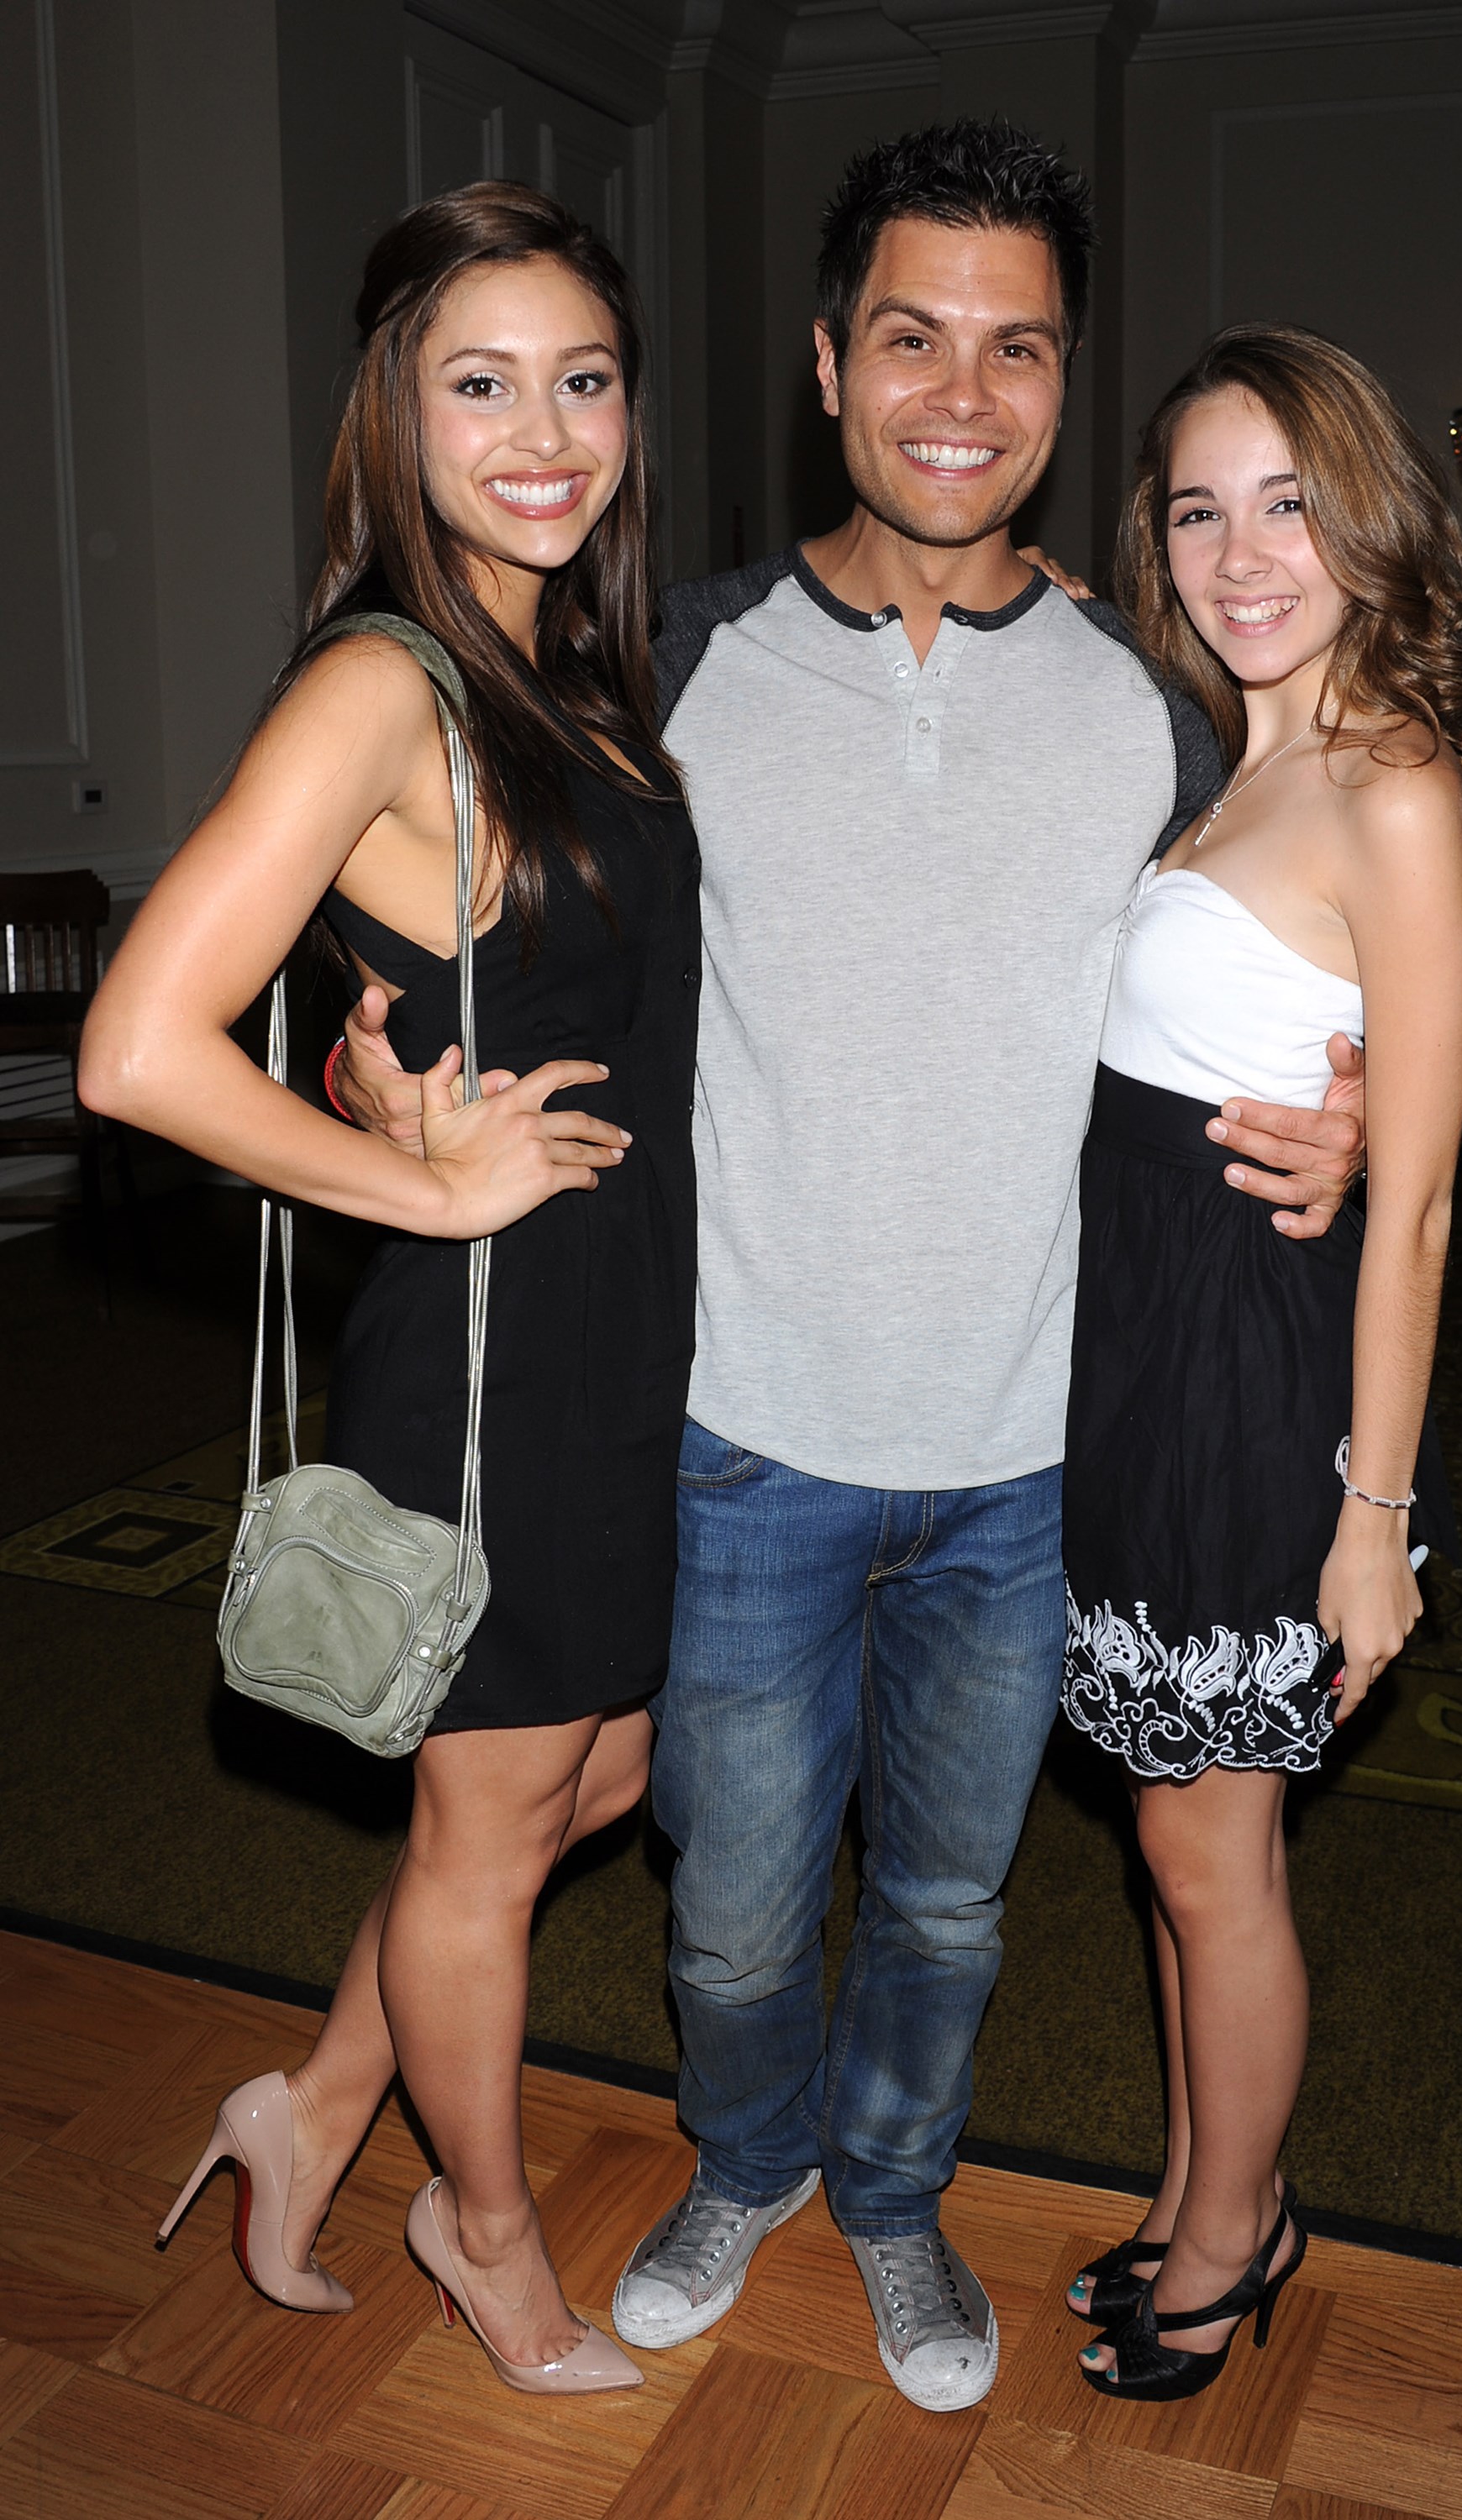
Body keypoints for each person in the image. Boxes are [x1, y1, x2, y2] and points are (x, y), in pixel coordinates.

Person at [339, 123, 1367, 2414]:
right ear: (826, 364)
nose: (962, 394)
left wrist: (1362, 1090)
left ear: (1066, 380)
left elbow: (1296, 935)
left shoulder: (1156, 699)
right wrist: (372, 1063)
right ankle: (746, 2164)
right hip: (737, 1432)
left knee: (946, 1903)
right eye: (912, 336)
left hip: (1032, 1453)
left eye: (1020, 348)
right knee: (726, 1902)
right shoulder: (664, 664)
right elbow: (469, 911)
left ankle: (894, 2199)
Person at [79, 183, 698, 2396]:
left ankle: (316, 2103)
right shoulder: (381, 681)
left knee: (590, 1779)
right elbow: (135, 1049)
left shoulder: (568, 673)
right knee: (493, 1829)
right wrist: (414, 1191)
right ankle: (487, 2235)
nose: (543, 434)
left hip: (621, 1327)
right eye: (481, 385)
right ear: (396, 416)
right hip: (498, 1354)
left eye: (583, 380)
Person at [1060, 324, 1462, 2400]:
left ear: (1362, 527)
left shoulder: (1387, 785)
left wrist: (1369, 1521)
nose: (1240, 553)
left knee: (1208, 1851)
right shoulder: (1214, 761)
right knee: (1170, 1841)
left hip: (1253, 1389)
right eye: (1197, 510)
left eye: (1285, 505)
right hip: (1140, 1359)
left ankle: (1230, 2240)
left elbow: (1411, 1204)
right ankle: (1193, 2188)